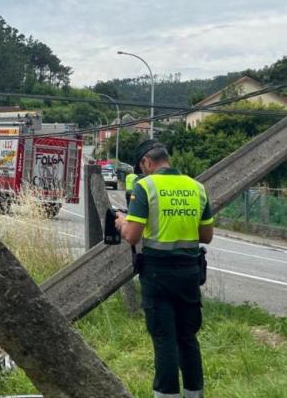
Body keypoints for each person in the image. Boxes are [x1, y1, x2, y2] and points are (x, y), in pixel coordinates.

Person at [114, 139, 213, 398]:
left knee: (165, 340)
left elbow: (132, 236)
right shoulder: (197, 187)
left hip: (158, 273)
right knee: (188, 339)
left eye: (142, 167)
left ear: (147, 163)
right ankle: (195, 394)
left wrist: (122, 222)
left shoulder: (145, 187)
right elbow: (206, 235)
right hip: (190, 273)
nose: (142, 171)